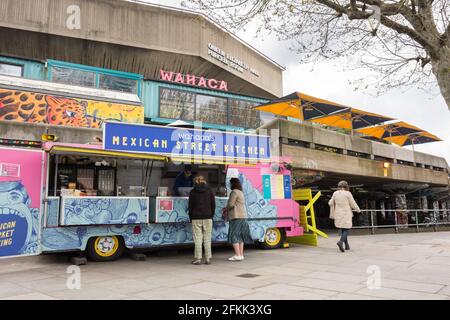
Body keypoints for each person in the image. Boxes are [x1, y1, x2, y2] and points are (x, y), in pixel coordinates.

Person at [188, 175, 216, 265]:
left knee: (198, 239)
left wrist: (191, 217)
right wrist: (211, 215)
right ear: (204, 181)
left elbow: (190, 207)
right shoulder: (210, 191)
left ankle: (198, 259)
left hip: (196, 218)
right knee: (207, 238)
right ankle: (208, 258)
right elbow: (213, 205)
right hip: (208, 217)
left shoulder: (192, 192)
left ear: (195, 182)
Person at [328, 180, 361, 252]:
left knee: (343, 229)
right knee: (347, 229)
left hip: (338, 213)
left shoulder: (335, 193)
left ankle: (347, 246)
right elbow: (353, 203)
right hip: (346, 213)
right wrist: (358, 210)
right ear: (346, 186)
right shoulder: (347, 193)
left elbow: (330, 202)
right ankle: (340, 242)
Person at [226, 178, 253, 261]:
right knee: (241, 236)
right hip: (243, 216)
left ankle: (237, 254)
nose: (229, 185)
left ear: (233, 184)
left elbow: (231, 204)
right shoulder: (241, 192)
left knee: (234, 235)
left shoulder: (234, 192)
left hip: (235, 216)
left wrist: (226, 207)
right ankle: (241, 254)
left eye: (230, 183)